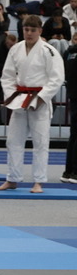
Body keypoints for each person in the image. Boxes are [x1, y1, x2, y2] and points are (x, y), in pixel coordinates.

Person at [0, 15, 65, 194]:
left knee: (40, 142)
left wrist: (42, 98)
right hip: (19, 99)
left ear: (40, 31)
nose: (29, 33)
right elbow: (7, 75)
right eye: (26, 30)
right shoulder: (16, 49)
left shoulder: (49, 51)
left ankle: (38, 181)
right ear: (22, 30)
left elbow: (57, 78)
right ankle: (12, 178)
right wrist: (12, 96)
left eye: (33, 30)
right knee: (13, 141)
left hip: (39, 100)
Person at [62, 36, 77, 183]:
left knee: (73, 135)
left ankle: (68, 171)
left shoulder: (68, 53)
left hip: (72, 96)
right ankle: (75, 172)